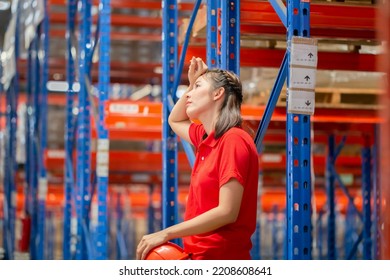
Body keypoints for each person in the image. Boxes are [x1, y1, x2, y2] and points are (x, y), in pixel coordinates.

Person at [136, 57, 259, 260]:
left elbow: (227, 211)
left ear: (218, 94)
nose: (189, 94)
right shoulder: (206, 138)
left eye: (197, 87)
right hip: (199, 256)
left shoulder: (233, 140)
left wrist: (166, 233)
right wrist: (194, 82)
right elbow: (174, 119)